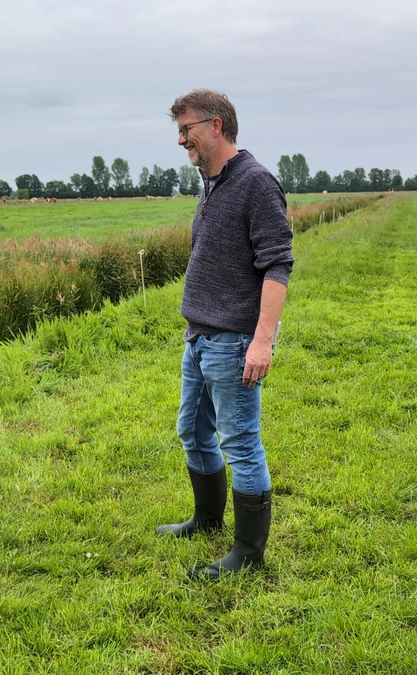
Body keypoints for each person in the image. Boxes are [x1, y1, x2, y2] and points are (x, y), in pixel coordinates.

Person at [156, 89, 294, 580]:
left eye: (186, 129)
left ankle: (249, 555)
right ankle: (207, 519)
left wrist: (261, 341)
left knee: (241, 444)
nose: (180, 140)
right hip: (200, 337)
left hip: (233, 341)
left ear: (216, 126)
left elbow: (277, 266)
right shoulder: (211, 182)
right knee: (192, 431)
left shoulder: (256, 183)